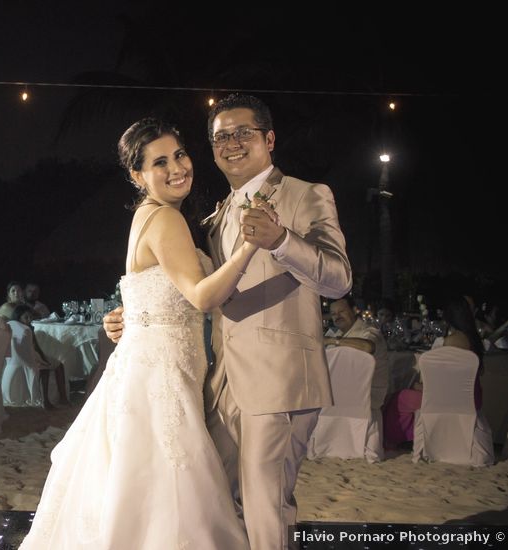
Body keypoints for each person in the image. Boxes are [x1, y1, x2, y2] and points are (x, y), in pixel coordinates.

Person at [104, 95, 352, 550]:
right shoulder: (215, 215)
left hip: (279, 381)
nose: (231, 143)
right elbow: (195, 290)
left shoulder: (305, 195)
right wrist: (135, 316)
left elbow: (338, 280)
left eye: (244, 133)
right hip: (220, 386)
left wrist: (281, 241)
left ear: (269, 138)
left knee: (266, 509)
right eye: (221, 136)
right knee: (217, 505)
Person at [21, 118, 259, 549]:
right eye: (160, 162)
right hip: (160, 376)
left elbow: (148, 292)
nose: (177, 167)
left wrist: (126, 316)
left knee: (136, 482)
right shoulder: (166, 218)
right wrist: (249, 246)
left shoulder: (148, 216)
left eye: (180, 155)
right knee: (169, 486)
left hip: (150, 365)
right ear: (137, 175)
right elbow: (201, 297)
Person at [384, 296, 485, 449]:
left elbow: (444, 381)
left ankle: (394, 439)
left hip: (449, 399)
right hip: (472, 398)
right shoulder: (475, 339)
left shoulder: (452, 341)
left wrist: (420, 387)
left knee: (400, 398)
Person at [326, 295, 389, 411]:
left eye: (341, 311)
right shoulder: (335, 334)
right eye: (333, 314)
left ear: (355, 310)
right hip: (341, 394)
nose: (337, 317)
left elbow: (367, 346)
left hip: (367, 399)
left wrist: (331, 341)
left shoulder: (370, 331)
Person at [12, 303, 69, 410]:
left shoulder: (21, 327)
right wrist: (43, 361)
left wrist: (43, 358)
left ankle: (60, 398)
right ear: (19, 318)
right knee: (50, 367)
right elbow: (32, 349)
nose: (29, 320)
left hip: (28, 357)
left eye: (30, 317)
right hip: (29, 358)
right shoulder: (24, 330)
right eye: (26, 317)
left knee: (55, 364)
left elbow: (34, 348)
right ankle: (49, 400)